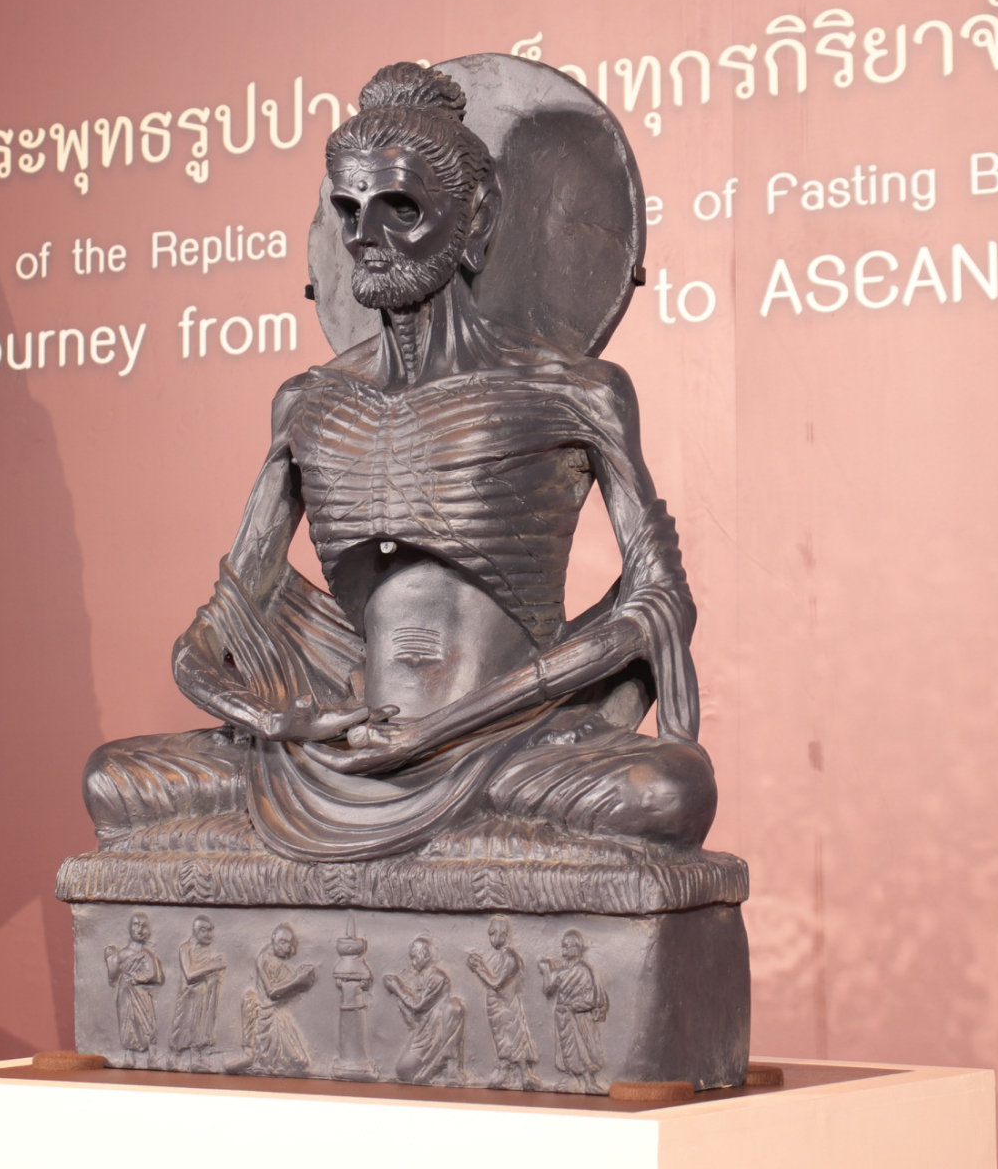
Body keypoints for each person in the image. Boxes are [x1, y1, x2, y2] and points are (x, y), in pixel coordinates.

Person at [83, 61, 714, 864]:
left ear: (475, 218)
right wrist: (276, 719)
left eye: (400, 208)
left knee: (663, 792)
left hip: (502, 737)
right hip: (338, 743)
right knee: (113, 780)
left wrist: (440, 730)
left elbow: (656, 607)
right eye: (348, 211)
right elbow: (210, 639)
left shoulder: (573, 391)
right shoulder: (309, 404)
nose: (364, 238)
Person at [230, 924, 316, 1074]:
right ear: (276, 941)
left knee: (300, 1061)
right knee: (297, 1062)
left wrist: (303, 978)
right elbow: (272, 992)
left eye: (291, 945)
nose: (289, 949)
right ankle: (249, 1055)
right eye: (285, 944)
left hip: (278, 1013)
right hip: (267, 1015)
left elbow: (291, 983)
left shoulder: (280, 963)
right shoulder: (264, 959)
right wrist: (297, 981)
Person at [466, 916, 541, 1089]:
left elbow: (496, 983)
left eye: (494, 934)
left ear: (504, 934)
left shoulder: (510, 957)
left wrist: (478, 968)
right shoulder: (500, 956)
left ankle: (525, 1075)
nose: (491, 939)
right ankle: (505, 1071)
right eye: (490, 934)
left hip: (507, 1006)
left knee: (515, 1037)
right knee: (502, 1039)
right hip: (497, 1008)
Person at [382, 936, 468, 1085]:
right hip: (422, 1032)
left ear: (426, 955)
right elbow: (413, 1016)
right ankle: (432, 1068)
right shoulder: (420, 978)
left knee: (405, 1071)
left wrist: (397, 989)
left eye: (415, 957)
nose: (413, 963)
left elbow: (418, 1005)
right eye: (411, 958)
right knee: (402, 1071)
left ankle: (444, 1065)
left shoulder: (437, 977)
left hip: (435, 1031)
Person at [539, 929, 607, 1094]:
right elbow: (547, 990)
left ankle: (589, 1082)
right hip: (562, 1017)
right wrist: (547, 971)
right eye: (563, 946)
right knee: (566, 1049)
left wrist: (573, 1006)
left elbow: (590, 999)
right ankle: (572, 1079)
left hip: (578, 1018)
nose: (563, 950)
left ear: (576, 948)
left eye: (567, 946)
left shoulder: (582, 971)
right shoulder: (562, 971)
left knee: (581, 1049)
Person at [103, 911, 163, 1065]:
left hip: (141, 992)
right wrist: (110, 959)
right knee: (127, 1020)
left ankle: (152, 1054)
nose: (139, 929)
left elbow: (154, 975)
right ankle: (129, 1055)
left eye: (143, 926)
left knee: (146, 1020)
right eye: (136, 925)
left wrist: (137, 977)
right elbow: (112, 975)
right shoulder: (122, 954)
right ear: (130, 928)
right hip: (125, 992)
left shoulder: (147, 954)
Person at [170, 914, 226, 1057]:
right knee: (185, 1025)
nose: (210, 935)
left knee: (200, 1024)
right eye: (206, 931)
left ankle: (198, 1053)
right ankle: (175, 1057)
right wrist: (213, 967)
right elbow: (189, 975)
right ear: (197, 930)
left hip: (203, 996)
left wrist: (215, 971)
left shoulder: (205, 951)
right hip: (189, 996)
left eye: (211, 930)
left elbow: (210, 974)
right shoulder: (185, 948)